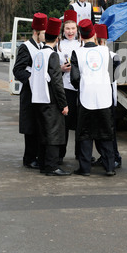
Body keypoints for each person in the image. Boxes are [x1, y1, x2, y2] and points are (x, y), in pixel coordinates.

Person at [70, 19, 116, 177]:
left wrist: (81, 85)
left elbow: (74, 78)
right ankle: (109, 167)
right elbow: (116, 64)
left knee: (85, 133)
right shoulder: (105, 51)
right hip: (104, 96)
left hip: (86, 97)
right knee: (106, 132)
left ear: (81, 36)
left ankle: (85, 168)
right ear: (94, 34)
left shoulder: (77, 52)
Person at [30, 18, 70, 176]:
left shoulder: (39, 53)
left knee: (43, 133)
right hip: (50, 100)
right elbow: (57, 82)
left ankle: (44, 165)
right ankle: (52, 166)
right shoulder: (52, 55)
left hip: (38, 98)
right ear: (57, 38)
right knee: (54, 134)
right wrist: (63, 104)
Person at [13, 12, 47, 170]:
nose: (46, 35)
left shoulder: (42, 46)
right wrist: (33, 78)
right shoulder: (26, 47)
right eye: (44, 33)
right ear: (36, 32)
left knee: (39, 125)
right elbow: (18, 70)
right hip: (29, 93)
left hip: (41, 92)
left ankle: (39, 156)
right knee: (31, 127)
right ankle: (29, 158)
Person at [94, 23, 122, 169]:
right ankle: (104, 156)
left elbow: (111, 77)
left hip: (107, 97)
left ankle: (115, 156)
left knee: (108, 130)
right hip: (101, 96)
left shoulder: (113, 57)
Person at [57, 10, 80, 163]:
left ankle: (81, 155)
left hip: (80, 89)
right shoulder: (58, 45)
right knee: (63, 125)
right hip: (65, 89)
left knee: (80, 125)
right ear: (63, 30)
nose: (70, 32)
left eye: (73, 28)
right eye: (67, 28)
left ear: (77, 29)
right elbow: (51, 68)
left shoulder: (82, 44)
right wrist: (62, 69)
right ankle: (60, 155)